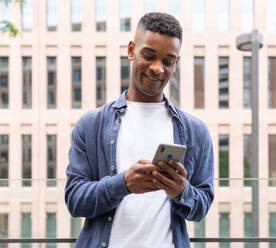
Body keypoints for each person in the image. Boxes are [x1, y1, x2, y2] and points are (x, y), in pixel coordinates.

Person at [64, 12, 214, 248]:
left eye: (168, 61)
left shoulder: (195, 131)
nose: (158, 68)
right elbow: (74, 200)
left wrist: (181, 191)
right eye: (149, 55)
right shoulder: (91, 125)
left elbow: (201, 206)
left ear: (176, 62)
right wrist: (123, 184)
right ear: (132, 50)